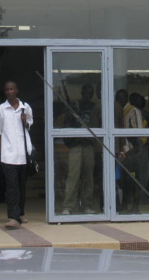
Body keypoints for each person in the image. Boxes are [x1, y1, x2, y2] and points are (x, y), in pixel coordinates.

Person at [0, 80, 33, 229]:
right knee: (12, 186)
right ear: (5, 92)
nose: (9, 92)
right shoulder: (0, 110)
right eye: (7, 90)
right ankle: (13, 217)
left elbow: (29, 126)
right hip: (8, 155)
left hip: (23, 153)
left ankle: (21, 213)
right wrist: (1, 154)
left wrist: (25, 121)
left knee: (22, 186)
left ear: (17, 90)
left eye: (12, 89)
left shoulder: (25, 107)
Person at [61, 83, 99, 215]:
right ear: (82, 92)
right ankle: (68, 206)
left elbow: (98, 125)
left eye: (90, 92)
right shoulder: (74, 106)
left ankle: (87, 205)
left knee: (88, 177)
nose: (88, 95)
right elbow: (67, 124)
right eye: (86, 92)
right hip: (76, 145)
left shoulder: (94, 107)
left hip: (88, 145)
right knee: (73, 176)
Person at [120, 92, 149, 214]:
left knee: (130, 179)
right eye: (139, 100)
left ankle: (129, 206)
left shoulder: (127, 111)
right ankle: (133, 206)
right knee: (135, 179)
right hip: (135, 149)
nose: (141, 102)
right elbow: (138, 132)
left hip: (129, 149)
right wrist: (140, 148)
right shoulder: (134, 111)